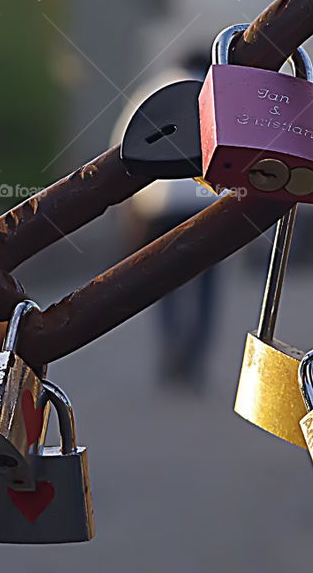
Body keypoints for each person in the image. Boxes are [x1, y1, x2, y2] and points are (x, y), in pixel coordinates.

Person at [113, 48, 222, 391]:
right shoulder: (216, 94)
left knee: (163, 284)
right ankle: (193, 360)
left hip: (158, 205)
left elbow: (121, 149)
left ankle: (171, 352)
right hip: (208, 206)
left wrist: (129, 209)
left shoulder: (150, 91)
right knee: (206, 288)